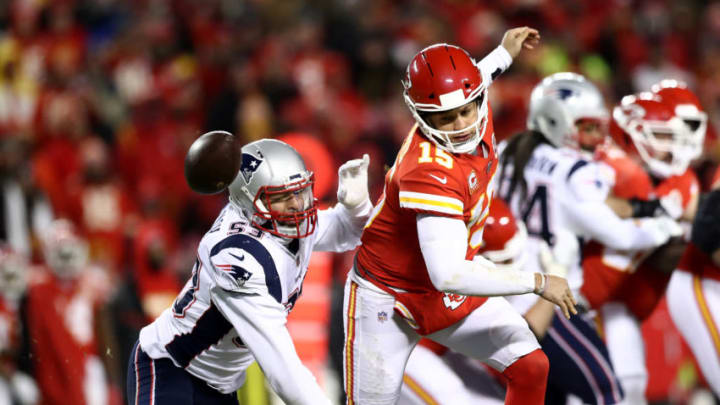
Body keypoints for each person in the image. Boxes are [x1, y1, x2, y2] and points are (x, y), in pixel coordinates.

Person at [344, 28, 577, 405]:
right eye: (445, 118)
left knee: (532, 365)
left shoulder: (470, 102)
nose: (460, 125)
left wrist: (504, 53)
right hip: (389, 295)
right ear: (420, 116)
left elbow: (472, 80)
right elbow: (448, 272)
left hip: (441, 289)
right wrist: (537, 281)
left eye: (467, 110)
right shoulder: (427, 170)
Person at [127, 138, 372, 405]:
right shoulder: (236, 258)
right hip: (172, 369)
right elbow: (287, 378)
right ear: (250, 205)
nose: (296, 206)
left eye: (299, 192)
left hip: (221, 386)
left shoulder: (282, 222)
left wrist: (357, 208)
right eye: (281, 197)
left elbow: (345, 231)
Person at [498, 72, 683, 405]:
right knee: (606, 392)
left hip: (507, 293)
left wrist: (644, 207)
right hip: (550, 303)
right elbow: (619, 234)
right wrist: (663, 228)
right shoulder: (574, 171)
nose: (598, 137)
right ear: (557, 121)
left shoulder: (507, 153)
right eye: (588, 127)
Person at [581, 83, 705, 404]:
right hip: (566, 301)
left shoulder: (678, 181)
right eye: (664, 136)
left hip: (614, 303)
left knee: (631, 384)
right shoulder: (600, 166)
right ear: (632, 132)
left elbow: (702, 222)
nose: (672, 148)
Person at [399, 198, 573, 405]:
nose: (514, 264)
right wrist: (556, 274)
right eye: (505, 259)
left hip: (449, 354)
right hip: (411, 354)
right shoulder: (454, 277)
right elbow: (519, 339)